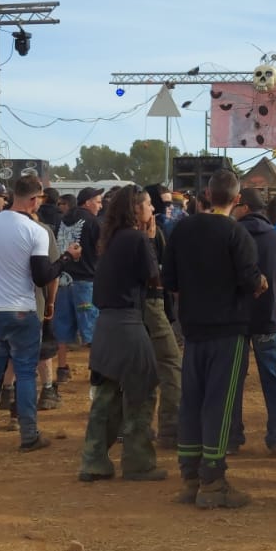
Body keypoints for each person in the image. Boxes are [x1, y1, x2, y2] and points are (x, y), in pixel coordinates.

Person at [161, 169, 265, 509]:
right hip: (228, 330)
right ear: (237, 199)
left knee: (192, 401)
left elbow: (170, 281)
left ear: (206, 194)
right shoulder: (237, 234)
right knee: (219, 405)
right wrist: (261, 282)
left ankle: (190, 477)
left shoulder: (182, 230)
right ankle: (213, 481)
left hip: (193, 329)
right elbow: (251, 282)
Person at [78, 185, 166, 482]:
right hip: (128, 324)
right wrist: (151, 241)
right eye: (149, 205)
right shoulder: (138, 239)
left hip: (106, 326)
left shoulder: (112, 238)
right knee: (142, 392)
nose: (153, 210)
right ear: (136, 209)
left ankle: (94, 460)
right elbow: (153, 279)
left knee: (106, 396)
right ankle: (138, 463)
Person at [0, 174, 62, 451]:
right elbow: (41, 276)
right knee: (24, 373)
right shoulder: (37, 232)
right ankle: (29, 435)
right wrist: (66, 260)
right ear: (34, 199)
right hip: (22, 309)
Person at [233, 188, 276, 454]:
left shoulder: (233, 235)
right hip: (266, 315)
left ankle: (230, 438)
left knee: (231, 380)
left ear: (245, 207)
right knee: (275, 379)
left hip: (235, 318)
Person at [139, 185, 181, 446]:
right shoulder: (145, 235)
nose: (164, 208)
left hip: (135, 310)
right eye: (158, 203)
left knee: (139, 369)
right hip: (149, 306)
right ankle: (170, 430)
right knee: (170, 364)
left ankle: (130, 432)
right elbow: (156, 274)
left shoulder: (156, 231)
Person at [54, 186, 102, 383]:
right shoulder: (93, 222)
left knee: (63, 327)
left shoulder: (62, 221)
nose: (100, 206)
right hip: (85, 282)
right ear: (88, 202)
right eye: (98, 201)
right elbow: (100, 250)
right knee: (91, 329)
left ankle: (62, 368)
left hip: (63, 280)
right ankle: (96, 370)